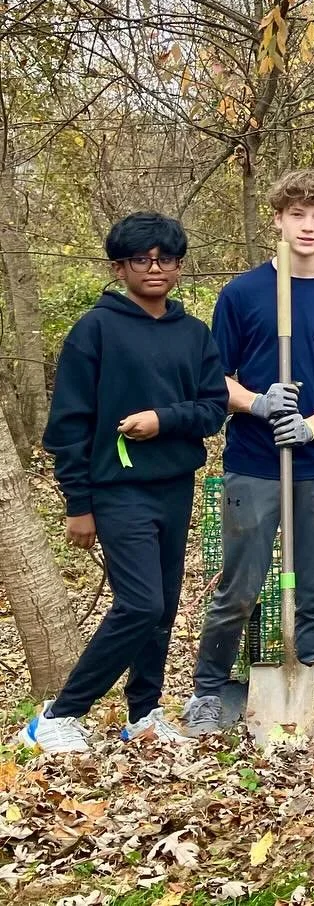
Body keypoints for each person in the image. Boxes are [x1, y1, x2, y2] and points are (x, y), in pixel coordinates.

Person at [17, 214, 228, 752]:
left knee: (162, 607)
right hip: (117, 489)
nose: (155, 268)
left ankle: (144, 713)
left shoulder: (194, 334)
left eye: (166, 258)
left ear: (179, 266)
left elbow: (212, 408)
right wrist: (78, 504)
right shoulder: (96, 330)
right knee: (140, 604)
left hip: (175, 484)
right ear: (120, 267)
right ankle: (59, 716)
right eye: (141, 259)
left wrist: (163, 419)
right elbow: (68, 426)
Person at [184, 170, 314, 735]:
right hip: (253, 462)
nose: (308, 226)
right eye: (298, 215)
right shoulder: (243, 294)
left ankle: (310, 686)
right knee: (240, 587)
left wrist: (310, 427)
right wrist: (259, 403)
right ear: (278, 219)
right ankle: (209, 692)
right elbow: (215, 380)